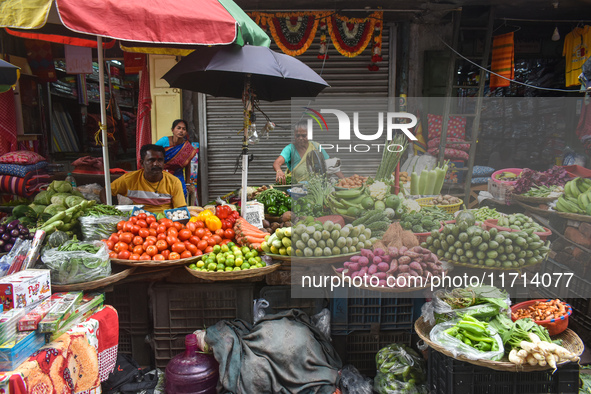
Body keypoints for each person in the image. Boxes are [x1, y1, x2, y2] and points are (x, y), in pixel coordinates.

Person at [101, 144, 186, 213]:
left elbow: (181, 211)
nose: (156, 164)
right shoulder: (130, 179)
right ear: (142, 163)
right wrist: (109, 210)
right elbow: (105, 191)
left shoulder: (174, 182)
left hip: (165, 225)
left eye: (160, 160)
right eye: (151, 160)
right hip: (139, 223)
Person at [273, 121, 344, 184]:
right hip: (297, 189)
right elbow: (277, 163)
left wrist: (344, 180)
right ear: (294, 135)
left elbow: (330, 165)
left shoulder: (316, 146)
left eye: (304, 135)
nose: (300, 138)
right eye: (297, 135)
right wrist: (279, 171)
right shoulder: (290, 149)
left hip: (316, 187)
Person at [154, 119, 198, 199]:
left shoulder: (186, 147)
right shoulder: (164, 141)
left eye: (184, 129)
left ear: (186, 132)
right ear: (172, 130)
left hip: (177, 173)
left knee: (182, 192)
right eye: (178, 128)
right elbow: (153, 154)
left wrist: (187, 184)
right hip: (162, 172)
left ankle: (180, 211)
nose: (181, 131)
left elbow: (187, 166)